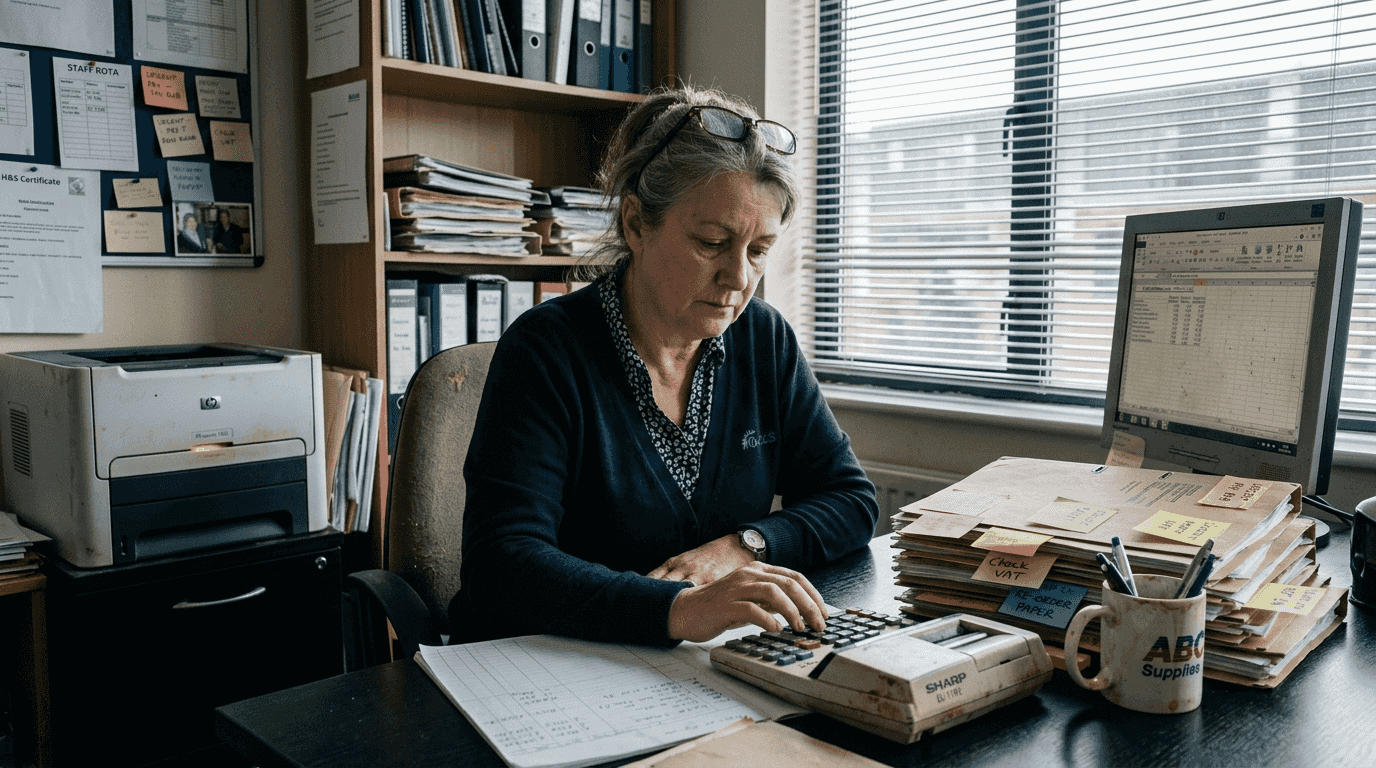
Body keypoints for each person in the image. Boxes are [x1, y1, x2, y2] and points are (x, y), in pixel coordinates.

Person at [452, 85, 880, 647]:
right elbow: (502, 564)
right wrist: (678, 609)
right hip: (548, 667)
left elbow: (850, 499)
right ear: (636, 225)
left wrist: (744, 546)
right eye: (711, 243)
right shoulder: (546, 351)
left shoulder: (763, 339)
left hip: (691, 668)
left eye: (758, 251)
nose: (739, 279)